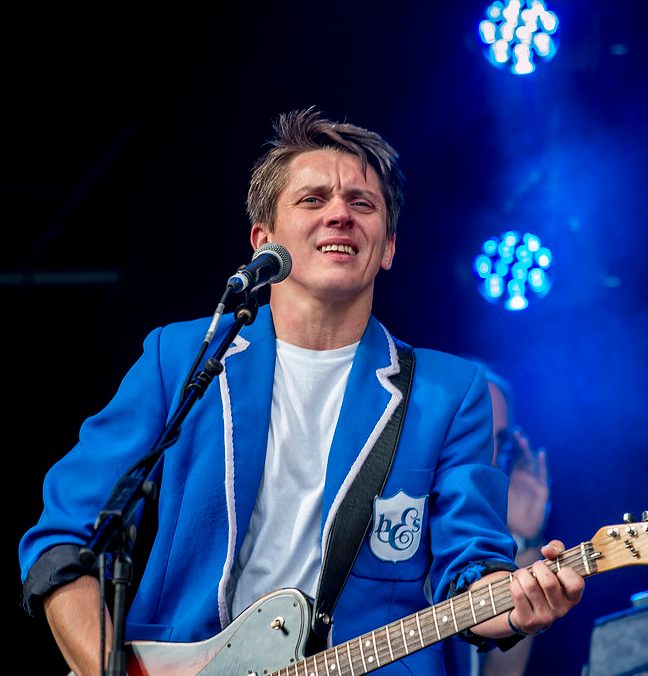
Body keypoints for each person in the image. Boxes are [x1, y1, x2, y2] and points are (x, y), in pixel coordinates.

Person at [18, 107, 584, 676]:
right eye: (312, 200)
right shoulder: (180, 357)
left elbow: (471, 569)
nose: (339, 214)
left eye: (363, 204)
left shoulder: (449, 392)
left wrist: (518, 604)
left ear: (388, 246)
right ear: (263, 240)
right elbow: (63, 538)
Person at [443, 366, 551, 675]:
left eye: (498, 442)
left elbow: (500, 674)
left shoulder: (486, 544)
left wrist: (525, 540)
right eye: (475, 435)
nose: (489, 458)